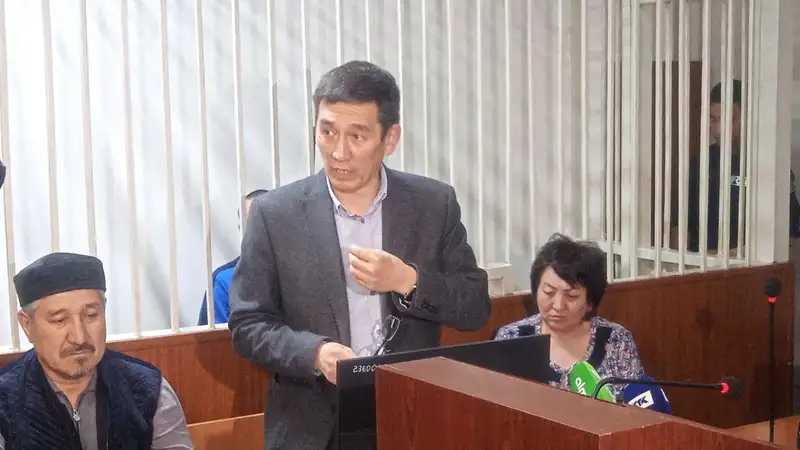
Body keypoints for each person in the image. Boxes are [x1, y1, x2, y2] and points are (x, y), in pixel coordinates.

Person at [228, 60, 491, 449]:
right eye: (327, 132)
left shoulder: (433, 205)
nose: (338, 152)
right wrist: (314, 353)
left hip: (410, 417)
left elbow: (475, 307)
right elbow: (247, 325)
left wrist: (409, 281)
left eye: (357, 136)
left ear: (390, 138)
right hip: (310, 426)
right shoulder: (275, 214)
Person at [0, 252, 193, 450]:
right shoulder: (4, 398)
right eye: (59, 320)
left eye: (91, 315)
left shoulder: (148, 387)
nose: (79, 337)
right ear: (27, 324)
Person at [494, 234, 645, 402]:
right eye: (549, 292)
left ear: (590, 302)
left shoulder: (616, 340)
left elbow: (637, 406)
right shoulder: (512, 337)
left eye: (571, 296)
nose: (558, 305)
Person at [687, 79, 800, 252]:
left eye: (728, 120)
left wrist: (728, 258)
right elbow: (681, 224)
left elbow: (790, 237)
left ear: (747, 119)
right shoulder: (702, 161)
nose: (718, 130)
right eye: (713, 119)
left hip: (749, 265)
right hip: (701, 264)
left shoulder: (770, 165)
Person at [197, 188, 269, 325]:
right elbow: (216, 336)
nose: (259, 228)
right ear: (240, 228)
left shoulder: (299, 273)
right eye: (251, 222)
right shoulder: (225, 280)